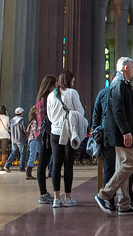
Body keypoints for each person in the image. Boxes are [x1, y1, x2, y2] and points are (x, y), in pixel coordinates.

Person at [95, 57, 133, 215]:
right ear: (124, 67)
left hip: (125, 133)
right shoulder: (118, 83)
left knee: (124, 166)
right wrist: (126, 131)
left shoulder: (124, 84)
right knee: (130, 164)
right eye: (132, 68)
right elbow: (118, 110)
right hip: (121, 134)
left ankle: (124, 204)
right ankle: (104, 194)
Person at [47, 70, 84, 207]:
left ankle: (56, 198)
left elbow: (50, 117)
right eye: (73, 81)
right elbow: (81, 112)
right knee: (68, 164)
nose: (73, 84)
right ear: (69, 81)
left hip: (55, 133)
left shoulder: (51, 95)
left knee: (56, 164)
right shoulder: (72, 93)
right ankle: (68, 197)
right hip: (68, 133)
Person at [35, 75, 57, 203]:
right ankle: (43, 194)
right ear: (49, 85)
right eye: (54, 85)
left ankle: (43, 193)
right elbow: (45, 119)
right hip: (45, 135)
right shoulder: (44, 99)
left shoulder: (41, 98)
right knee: (43, 164)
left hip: (42, 134)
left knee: (43, 164)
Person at [5, 107, 27, 172]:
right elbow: (24, 130)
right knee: (22, 153)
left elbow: (8, 128)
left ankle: (7, 165)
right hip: (20, 139)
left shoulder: (12, 120)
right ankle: (22, 168)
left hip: (13, 139)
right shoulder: (22, 121)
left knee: (14, 152)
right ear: (21, 113)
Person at [0, 106, 11, 170]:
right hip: (5, 136)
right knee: (4, 151)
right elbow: (8, 126)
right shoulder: (7, 118)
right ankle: (3, 166)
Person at [26, 106, 41, 179]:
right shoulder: (35, 121)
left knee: (34, 155)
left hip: (33, 139)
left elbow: (28, 130)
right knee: (32, 156)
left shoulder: (32, 120)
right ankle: (28, 174)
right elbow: (35, 131)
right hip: (35, 139)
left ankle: (29, 173)